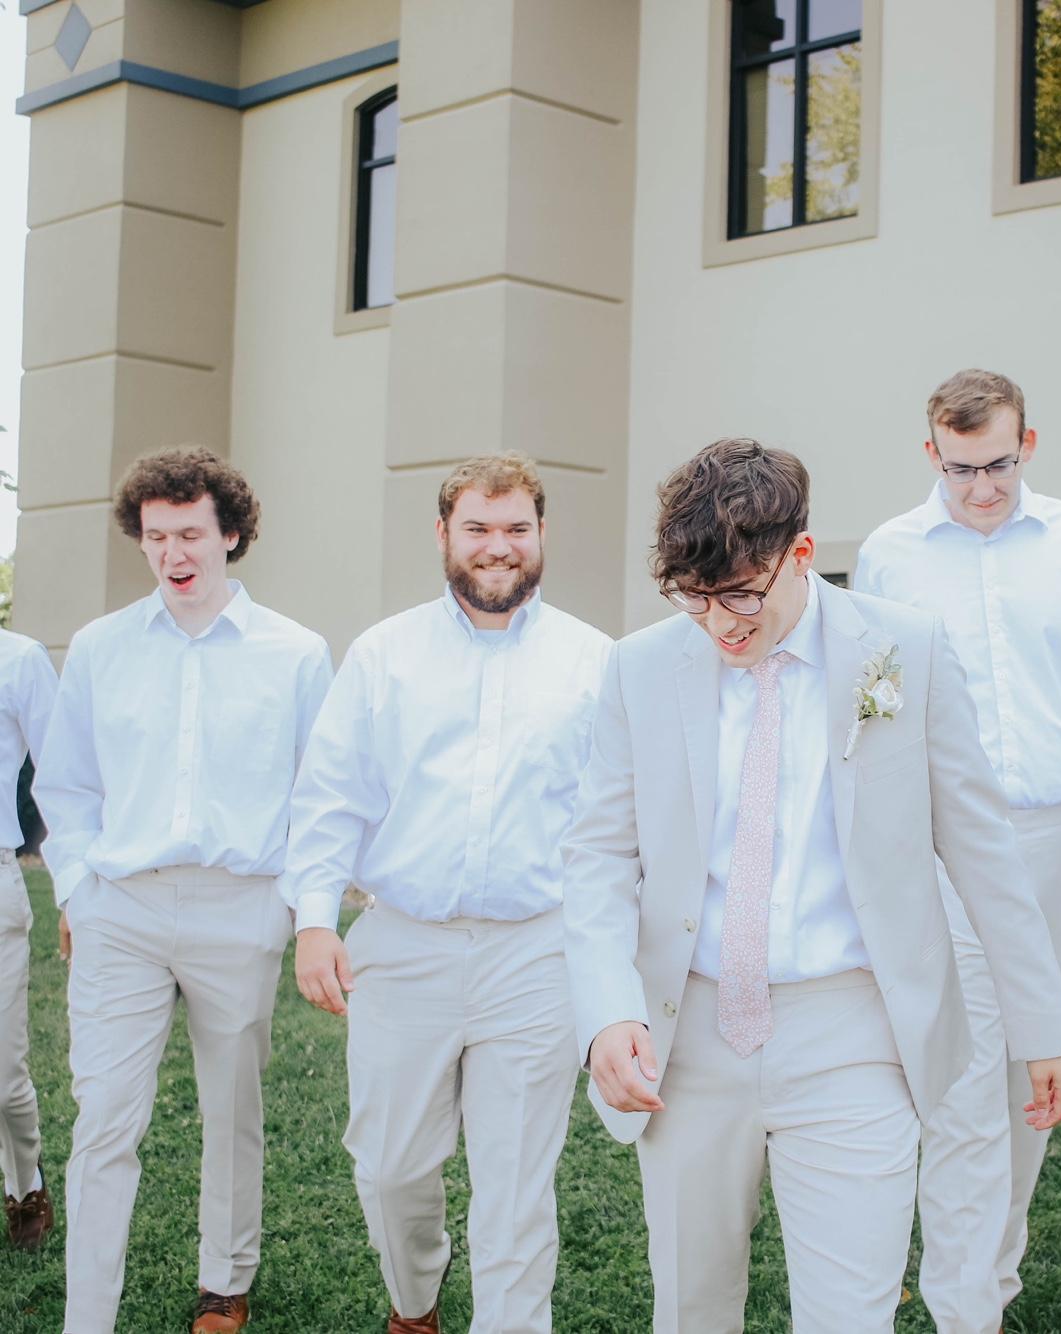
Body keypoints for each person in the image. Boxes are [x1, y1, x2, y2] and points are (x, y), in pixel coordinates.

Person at [563, 437, 1061, 1332]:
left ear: (801, 553)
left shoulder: (906, 651)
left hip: (854, 1034)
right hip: (686, 1037)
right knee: (691, 1309)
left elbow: (982, 850)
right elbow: (599, 854)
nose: (721, 622)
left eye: (742, 595)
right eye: (695, 597)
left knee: (850, 1316)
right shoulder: (639, 666)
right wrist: (609, 1010)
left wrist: (1042, 1026)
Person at [854, 369, 1061, 1332]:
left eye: (998, 465)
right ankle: (968, 1312)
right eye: (961, 470)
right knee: (966, 1088)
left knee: (1036, 1079)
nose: (982, 488)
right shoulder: (888, 554)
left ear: (1027, 445)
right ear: (932, 455)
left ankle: (989, 1278)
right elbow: (871, 712)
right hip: (949, 853)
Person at [285, 454, 610, 1334]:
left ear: (541, 534)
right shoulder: (383, 654)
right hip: (403, 944)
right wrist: (314, 921)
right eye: (478, 528)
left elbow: (615, 822)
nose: (498, 546)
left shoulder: (594, 661)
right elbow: (330, 798)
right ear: (443, 534)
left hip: (537, 952)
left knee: (516, 1190)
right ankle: (415, 1301)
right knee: (390, 1169)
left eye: (516, 529)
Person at [35, 447, 332, 1334]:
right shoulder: (100, 647)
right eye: (156, 535)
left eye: (191, 533)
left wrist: (290, 908)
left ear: (230, 535)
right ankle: (87, 1315)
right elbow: (67, 787)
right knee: (103, 1119)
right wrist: (78, 893)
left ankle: (224, 1283)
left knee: (230, 1107)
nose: (173, 553)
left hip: (240, 908)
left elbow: (320, 795)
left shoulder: (296, 654)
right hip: (120, 908)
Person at [0, 627, 58, 1251]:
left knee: (3, 1076)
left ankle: (25, 1182)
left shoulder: (19, 660)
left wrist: (75, 889)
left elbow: (64, 774)